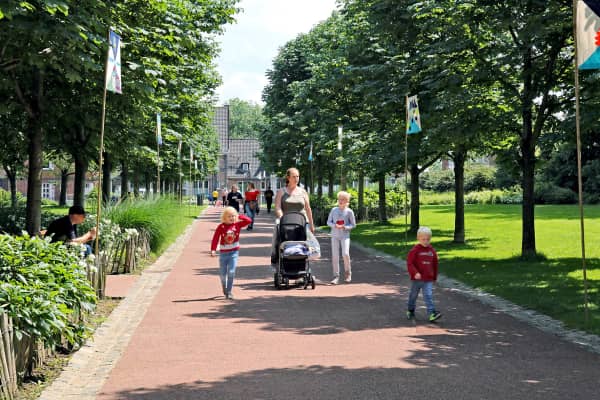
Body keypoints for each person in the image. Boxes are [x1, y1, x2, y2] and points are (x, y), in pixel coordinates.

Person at [271, 167, 316, 266]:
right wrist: (282, 218)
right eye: (294, 176)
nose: (296, 179)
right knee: (277, 232)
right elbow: (278, 207)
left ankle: (304, 263)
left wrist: (312, 225)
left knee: (306, 243)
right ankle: (275, 254)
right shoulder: (281, 192)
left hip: (302, 222)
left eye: (297, 176)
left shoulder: (303, 192)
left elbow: (308, 209)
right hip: (286, 222)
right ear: (288, 177)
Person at [210, 207, 252, 299]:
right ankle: (224, 286)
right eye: (229, 216)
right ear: (224, 218)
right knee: (223, 274)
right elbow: (215, 238)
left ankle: (229, 291)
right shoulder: (221, 227)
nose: (232, 218)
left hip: (234, 253)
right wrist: (213, 249)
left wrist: (239, 216)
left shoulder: (237, 225)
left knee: (231, 272)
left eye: (233, 216)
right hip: (223, 254)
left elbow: (249, 220)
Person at [406, 226, 442, 322]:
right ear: (418, 238)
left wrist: (434, 277)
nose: (426, 241)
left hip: (428, 279)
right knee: (413, 295)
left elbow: (435, 264)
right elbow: (410, 263)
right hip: (417, 279)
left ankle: (432, 313)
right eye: (423, 239)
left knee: (428, 295)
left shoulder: (432, 251)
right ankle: (410, 310)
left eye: (428, 239)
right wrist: (415, 272)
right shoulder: (415, 250)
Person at [327, 191, 356, 284]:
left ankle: (348, 273)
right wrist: (334, 225)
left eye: (343, 199)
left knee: (345, 254)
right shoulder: (334, 210)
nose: (340, 201)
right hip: (334, 236)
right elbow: (328, 222)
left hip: (345, 236)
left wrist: (345, 227)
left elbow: (353, 225)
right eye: (339, 199)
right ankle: (336, 276)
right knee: (335, 256)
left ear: (347, 201)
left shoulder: (349, 211)